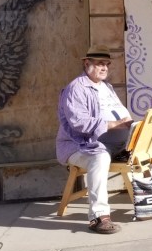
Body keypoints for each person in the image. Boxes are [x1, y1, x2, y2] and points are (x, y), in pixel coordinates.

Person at [56, 45, 134, 234]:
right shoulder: (76, 88)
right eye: (100, 63)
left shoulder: (106, 87)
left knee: (147, 142)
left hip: (110, 144)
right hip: (79, 145)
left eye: (107, 64)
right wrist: (113, 124)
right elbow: (79, 123)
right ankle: (99, 217)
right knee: (99, 158)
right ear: (86, 63)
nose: (104, 68)